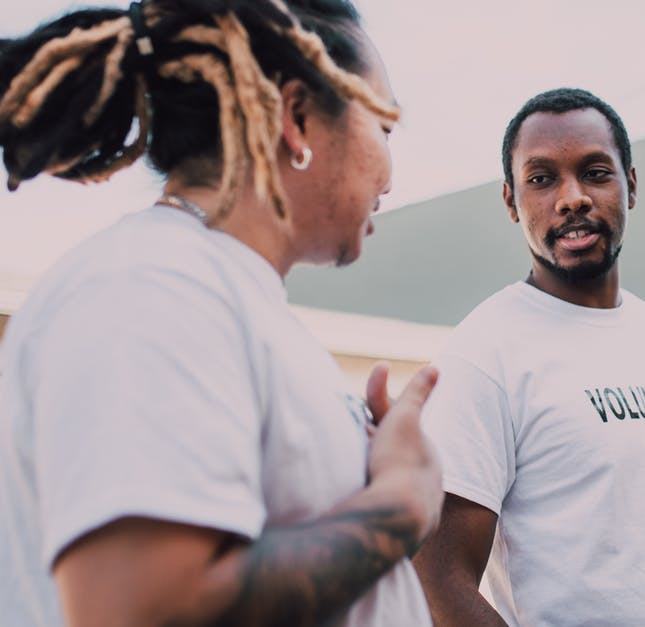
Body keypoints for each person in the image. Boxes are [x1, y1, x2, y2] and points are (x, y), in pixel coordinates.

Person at [0, 2, 443, 626]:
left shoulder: (215, 293)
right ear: (295, 116)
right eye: (384, 127)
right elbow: (140, 608)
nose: (390, 176)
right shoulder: (151, 288)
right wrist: (402, 506)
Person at [413, 87, 645, 626]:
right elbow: (437, 577)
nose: (571, 197)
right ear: (511, 201)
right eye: (542, 178)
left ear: (631, 186)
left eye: (595, 172)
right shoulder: (484, 354)